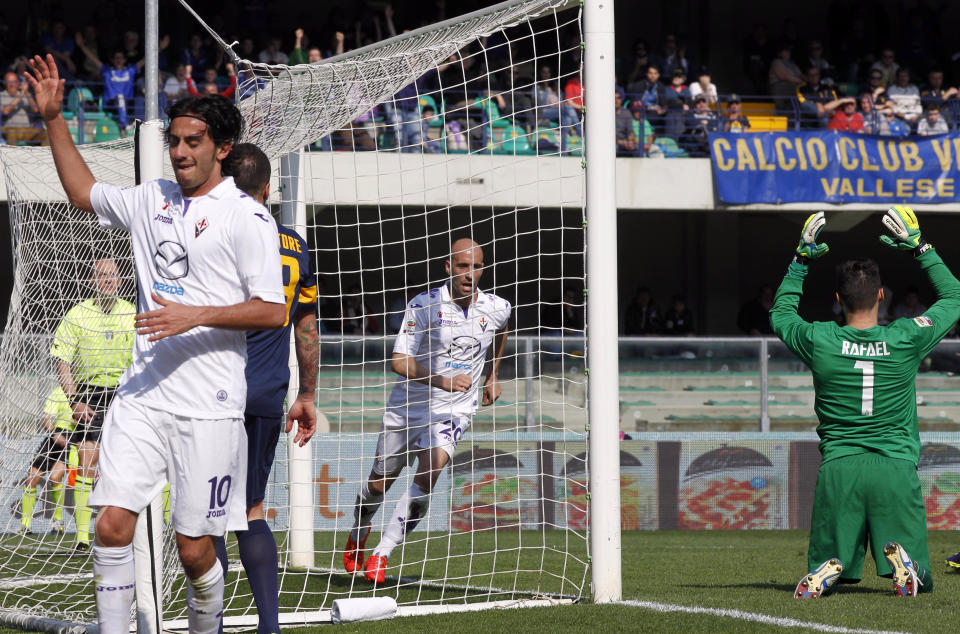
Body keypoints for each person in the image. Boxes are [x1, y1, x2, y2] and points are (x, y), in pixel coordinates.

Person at [27, 54, 287, 632]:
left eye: (193, 141)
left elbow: (273, 310)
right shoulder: (152, 198)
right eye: (174, 140)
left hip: (211, 407)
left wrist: (197, 314)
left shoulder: (248, 218)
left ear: (222, 148)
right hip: (143, 397)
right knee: (111, 525)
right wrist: (52, 119)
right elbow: (83, 193)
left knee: (195, 551)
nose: (179, 151)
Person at [774, 207, 957, 598]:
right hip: (894, 466)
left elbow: (781, 314)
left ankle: (829, 568)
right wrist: (919, 247)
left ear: (838, 299)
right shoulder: (906, 337)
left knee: (830, 563)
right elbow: (955, 297)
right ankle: (907, 568)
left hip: (840, 468)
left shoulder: (820, 339)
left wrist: (800, 260)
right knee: (920, 577)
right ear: (880, 294)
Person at [343, 238, 511, 584]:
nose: (470, 274)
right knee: (379, 484)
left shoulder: (497, 307)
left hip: (455, 411)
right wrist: (442, 380)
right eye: (462, 266)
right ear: (448, 267)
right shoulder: (424, 305)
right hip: (408, 408)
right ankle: (360, 531)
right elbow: (399, 361)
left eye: (476, 266)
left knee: (430, 472)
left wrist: (493, 375)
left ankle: (382, 553)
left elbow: (502, 329)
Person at [213, 143, 319, 634]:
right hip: (267, 393)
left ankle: (207, 620)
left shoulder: (213, 234)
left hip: (213, 392)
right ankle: (269, 627)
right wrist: (308, 394)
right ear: (268, 188)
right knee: (251, 507)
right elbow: (308, 329)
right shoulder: (294, 245)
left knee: (209, 511)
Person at [51, 256, 135, 550]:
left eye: (113, 275)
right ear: (91, 281)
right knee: (87, 463)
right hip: (89, 395)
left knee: (128, 465)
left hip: (125, 393)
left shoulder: (131, 313)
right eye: (101, 275)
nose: (108, 280)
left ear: (120, 281)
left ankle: (130, 529)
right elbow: (61, 359)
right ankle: (84, 537)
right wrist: (74, 400)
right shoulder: (77, 315)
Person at [74, 33, 170, 134]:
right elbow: (93, 59)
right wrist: (82, 46)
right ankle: (125, 126)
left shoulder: (130, 70)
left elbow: (146, 59)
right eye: (116, 58)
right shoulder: (107, 70)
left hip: (128, 104)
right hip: (111, 104)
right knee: (119, 97)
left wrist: (160, 49)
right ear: (113, 60)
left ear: (125, 60)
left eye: (121, 58)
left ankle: (134, 125)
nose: (119, 60)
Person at [18, 387, 76, 535]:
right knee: (31, 477)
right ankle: (25, 525)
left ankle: (58, 522)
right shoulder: (58, 392)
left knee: (55, 477)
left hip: (75, 439)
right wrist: (54, 433)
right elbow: (46, 419)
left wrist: (77, 423)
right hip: (55, 437)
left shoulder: (87, 392)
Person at [1, 71, 44, 145]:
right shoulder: (2, 95)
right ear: (5, 83)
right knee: (12, 132)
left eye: (14, 82)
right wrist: (22, 93)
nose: (12, 84)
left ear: (18, 83)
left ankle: (47, 156)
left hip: (26, 130)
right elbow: (5, 111)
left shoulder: (25, 94)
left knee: (45, 133)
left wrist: (26, 92)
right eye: (9, 82)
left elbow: (35, 109)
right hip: (9, 130)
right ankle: (11, 156)